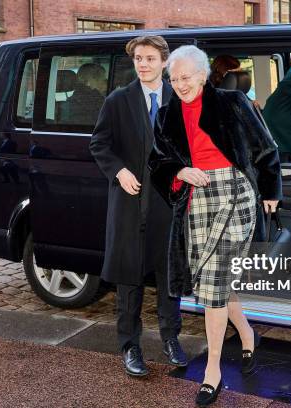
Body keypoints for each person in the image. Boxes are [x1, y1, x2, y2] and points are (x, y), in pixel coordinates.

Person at [149, 45, 282, 407]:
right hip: (196, 197)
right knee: (214, 284)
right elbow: (157, 161)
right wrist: (179, 170)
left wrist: (270, 188)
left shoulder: (233, 102)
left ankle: (212, 371)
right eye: (174, 79)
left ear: (203, 75)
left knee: (214, 282)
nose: (179, 85)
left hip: (236, 193)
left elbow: (265, 148)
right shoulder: (166, 116)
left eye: (186, 77)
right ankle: (248, 334)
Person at [89, 36, 187, 377]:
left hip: (169, 204)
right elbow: (99, 143)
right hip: (129, 204)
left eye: (149, 58)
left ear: (164, 61)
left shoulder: (179, 98)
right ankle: (130, 346)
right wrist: (118, 170)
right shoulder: (118, 100)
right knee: (128, 279)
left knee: (169, 277)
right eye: (138, 59)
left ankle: (171, 338)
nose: (142, 64)